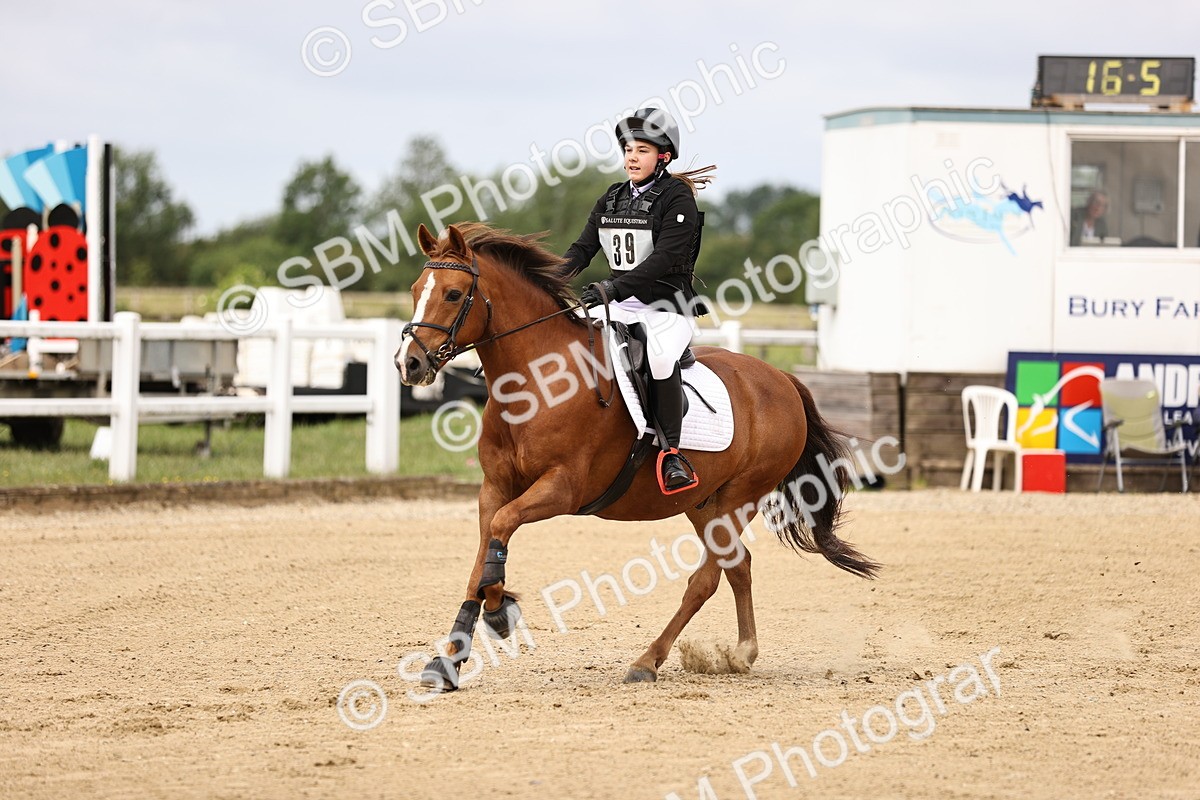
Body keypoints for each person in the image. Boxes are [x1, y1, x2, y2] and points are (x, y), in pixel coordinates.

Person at [560, 107, 715, 495]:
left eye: (642, 150)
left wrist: (613, 289)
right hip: (618, 302)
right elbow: (581, 250)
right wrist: (546, 281)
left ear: (662, 156)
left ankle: (672, 454)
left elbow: (663, 259)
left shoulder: (676, 198)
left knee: (660, 357)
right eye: (628, 149)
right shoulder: (612, 197)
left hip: (668, 307)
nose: (631, 157)